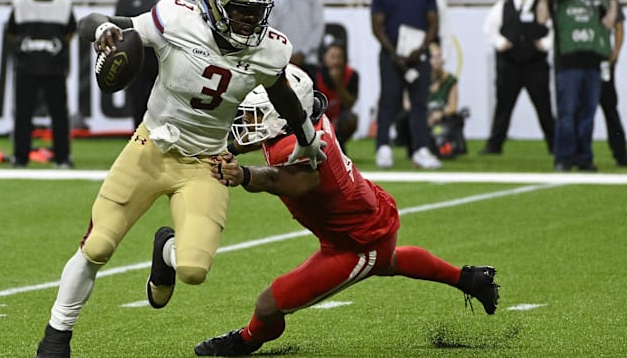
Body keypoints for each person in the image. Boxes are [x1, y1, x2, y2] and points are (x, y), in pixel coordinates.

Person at [34, 0, 327, 357]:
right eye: (240, 12)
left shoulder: (270, 49)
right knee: (98, 245)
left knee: (193, 270)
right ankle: (56, 336)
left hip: (206, 163)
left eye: (255, 13)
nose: (248, 23)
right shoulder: (175, 18)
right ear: (214, 1)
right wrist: (104, 29)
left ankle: (165, 252)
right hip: (150, 147)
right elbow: (93, 20)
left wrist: (308, 138)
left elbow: (283, 97)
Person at [194, 64, 499, 357]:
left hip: (356, 241)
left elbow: (290, 180)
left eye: (256, 115)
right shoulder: (304, 126)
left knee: (268, 305)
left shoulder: (295, 148)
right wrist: (230, 148)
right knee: (387, 261)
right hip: (365, 213)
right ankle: (469, 279)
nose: (249, 122)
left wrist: (243, 175)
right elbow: (268, 138)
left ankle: (246, 341)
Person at [537, 0, 618, 171]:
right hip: (567, 62)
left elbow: (610, 22)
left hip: (592, 62)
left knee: (588, 113)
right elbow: (541, 18)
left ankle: (584, 158)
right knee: (567, 112)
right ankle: (563, 158)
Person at [371, 0, 441, 169]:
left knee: (419, 103)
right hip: (390, 55)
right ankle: (383, 146)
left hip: (418, 56)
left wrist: (420, 50)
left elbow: (433, 24)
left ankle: (421, 149)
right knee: (389, 100)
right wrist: (394, 52)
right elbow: (376, 26)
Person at [6, 0, 76, 169]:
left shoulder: (63, 4)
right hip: (27, 68)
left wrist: (55, 50)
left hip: (54, 68)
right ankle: (20, 157)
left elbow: (70, 31)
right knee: (23, 113)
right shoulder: (20, 4)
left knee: (59, 114)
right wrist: (25, 52)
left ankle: (62, 156)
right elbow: (11, 32)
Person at [481, 0, 555, 156]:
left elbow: (554, 30)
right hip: (509, 65)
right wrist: (500, 43)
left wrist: (545, 44)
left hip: (535, 65)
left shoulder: (542, 5)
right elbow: (489, 30)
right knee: (503, 107)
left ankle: (555, 145)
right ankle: (494, 145)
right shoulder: (502, 6)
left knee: (544, 108)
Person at [114, 0, 172, 129]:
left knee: (163, 105)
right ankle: (138, 144)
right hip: (135, 58)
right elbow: (119, 25)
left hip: (161, 58)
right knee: (138, 103)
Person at [396, 42, 466, 159]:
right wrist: (423, 117)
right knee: (405, 117)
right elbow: (407, 105)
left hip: (440, 119)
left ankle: (445, 148)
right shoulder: (413, 78)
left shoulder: (449, 80)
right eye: (433, 57)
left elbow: (453, 107)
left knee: (455, 118)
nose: (437, 60)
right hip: (421, 116)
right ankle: (413, 148)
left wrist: (440, 113)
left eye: (439, 56)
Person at [269, 0, 325, 76]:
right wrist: (286, 55)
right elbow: (272, 32)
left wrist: (303, 53)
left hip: (309, 60)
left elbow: (318, 28)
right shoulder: (275, 1)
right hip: (283, 63)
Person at [314, 42, 358, 152]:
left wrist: (338, 83)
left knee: (351, 119)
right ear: (324, 58)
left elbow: (350, 103)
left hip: (338, 119)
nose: (336, 61)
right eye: (333, 57)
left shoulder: (351, 75)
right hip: (318, 119)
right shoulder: (314, 75)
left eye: (340, 57)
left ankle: (339, 143)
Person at [599, 3, 627, 166]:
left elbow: (618, 27)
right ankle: (578, 154)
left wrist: (614, 54)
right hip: (582, 63)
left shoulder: (607, 0)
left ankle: (620, 153)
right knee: (579, 111)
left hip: (603, 62)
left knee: (610, 108)